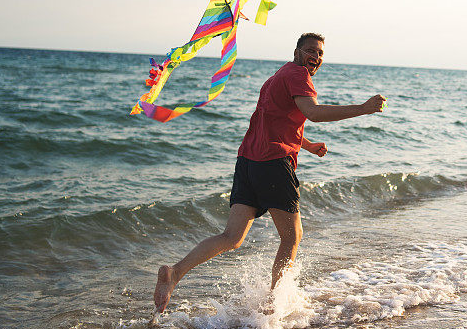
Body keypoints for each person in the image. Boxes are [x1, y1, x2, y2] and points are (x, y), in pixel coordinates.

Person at [153, 33, 386, 313]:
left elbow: (277, 120)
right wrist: (362, 109)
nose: (316, 56)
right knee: (291, 237)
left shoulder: (279, 76)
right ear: (297, 52)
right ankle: (275, 306)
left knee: (231, 237)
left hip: (248, 161)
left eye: (321, 53)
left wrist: (307, 145)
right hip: (273, 163)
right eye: (310, 50)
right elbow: (312, 112)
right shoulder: (298, 74)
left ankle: (175, 272)